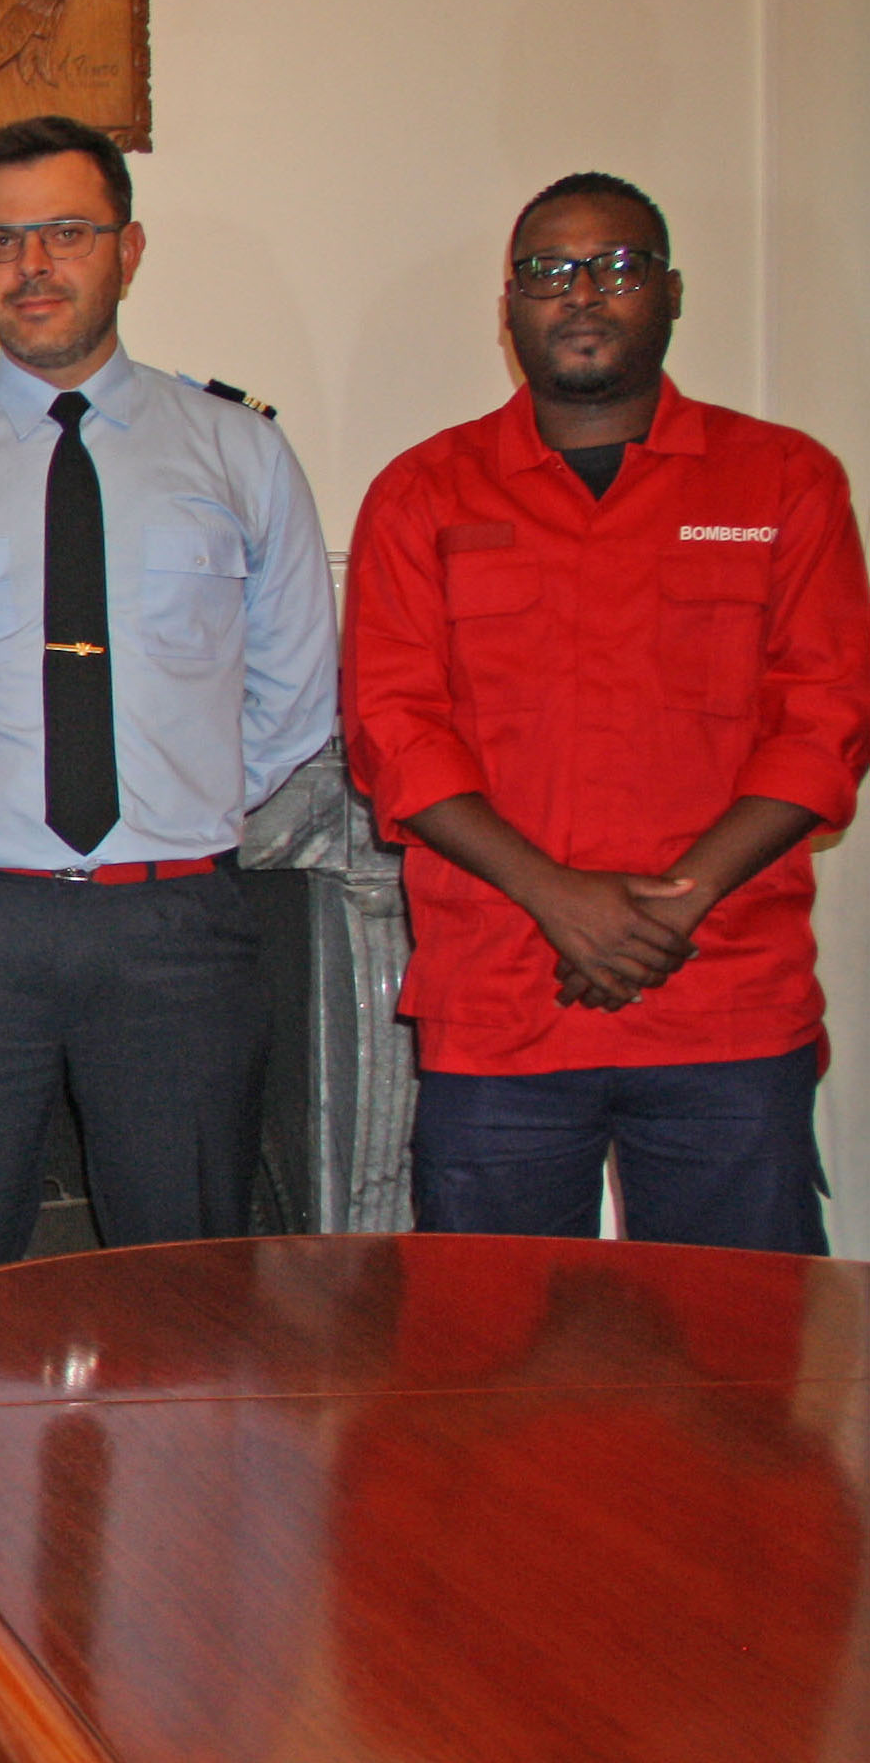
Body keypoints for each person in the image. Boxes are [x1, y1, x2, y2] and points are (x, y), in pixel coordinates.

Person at [0, 114, 336, 1759]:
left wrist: (167, 826)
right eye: (1, 238)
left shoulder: (232, 451)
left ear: (124, 247)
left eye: (64, 232)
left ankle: (181, 1615)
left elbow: (293, 696)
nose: (31, 265)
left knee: (183, 1293)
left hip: (172, 925)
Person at [343, 172, 870, 1246]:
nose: (581, 293)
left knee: (742, 1369)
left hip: (724, 1000)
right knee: (484, 1376)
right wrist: (556, 897)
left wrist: (676, 904)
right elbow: (392, 730)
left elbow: (827, 720)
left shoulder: (784, 482)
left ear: (671, 293)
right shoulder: (424, 493)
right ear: (510, 309)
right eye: (547, 272)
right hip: (499, 1010)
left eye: (617, 267)